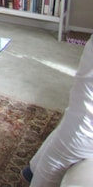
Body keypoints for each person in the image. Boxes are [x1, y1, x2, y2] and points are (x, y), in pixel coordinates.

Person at [22, 36, 93, 186]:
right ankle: (32, 172)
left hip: (83, 132)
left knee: (51, 166)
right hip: (78, 118)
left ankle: (34, 176)